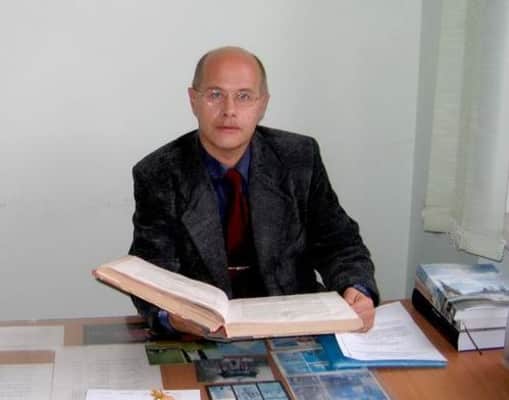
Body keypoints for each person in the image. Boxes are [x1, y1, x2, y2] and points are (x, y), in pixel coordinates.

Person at [128, 46, 379, 336]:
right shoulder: (158, 173)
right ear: (193, 100)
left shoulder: (299, 157)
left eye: (244, 96)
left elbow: (339, 243)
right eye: (215, 95)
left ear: (262, 105)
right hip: (203, 330)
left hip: (294, 322)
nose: (229, 110)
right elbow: (151, 271)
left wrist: (356, 289)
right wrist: (169, 318)